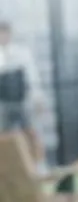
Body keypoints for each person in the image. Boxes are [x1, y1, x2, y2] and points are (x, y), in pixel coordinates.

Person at [0, 20, 46, 165]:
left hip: (22, 101)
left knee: (30, 133)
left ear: (9, 34)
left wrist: (38, 98)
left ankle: (37, 164)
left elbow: (32, 76)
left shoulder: (22, 53)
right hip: (3, 103)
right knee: (4, 135)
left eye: (4, 33)